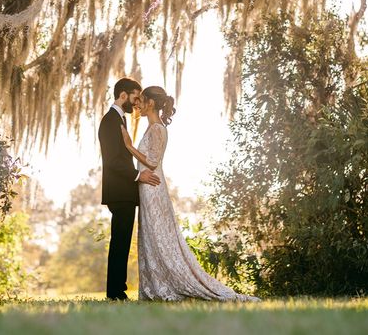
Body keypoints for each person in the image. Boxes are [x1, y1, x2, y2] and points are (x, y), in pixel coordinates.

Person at [121, 85, 260, 302]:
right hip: (146, 188)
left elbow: (153, 161)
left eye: (142, 99)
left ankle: (176, 283)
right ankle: (156, 285)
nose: (137, 104)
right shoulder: (150, 128)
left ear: (151, 103)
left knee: (161, 237)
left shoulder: (158, 128)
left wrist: (129, 146)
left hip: (154, 189)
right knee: (151, 237)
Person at [98, 77, 160, 301]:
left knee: (122, 243)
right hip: (119, 192)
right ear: (123, 95)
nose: (137, 102)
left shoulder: (119, 120)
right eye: (134, 97)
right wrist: (138, 175)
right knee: (120, 243)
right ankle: (116, 292)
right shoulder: (110, 121)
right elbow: (112, 160)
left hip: (125, 191)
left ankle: (116, 291)